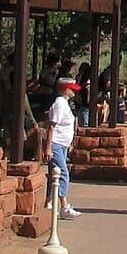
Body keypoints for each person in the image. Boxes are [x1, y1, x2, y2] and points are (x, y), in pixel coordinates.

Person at [44, 76, 82, 219]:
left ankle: (48, 203)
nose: (74, 92)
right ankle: (64, 206)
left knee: (54, 175)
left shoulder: (65, 103)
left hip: (62, 145)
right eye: (72, 89)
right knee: (63, 174)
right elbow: (52, 127)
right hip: (56, 145)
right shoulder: (60, 103)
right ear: (65, 90)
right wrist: (48, 148)